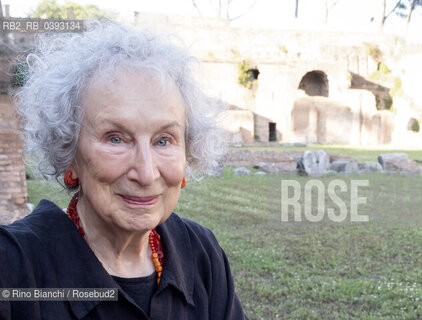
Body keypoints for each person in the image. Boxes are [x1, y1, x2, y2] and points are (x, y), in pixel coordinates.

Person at [0, 21, 248, 320]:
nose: (146, 173)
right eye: (115, 138)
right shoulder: (12, 268)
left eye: (164, 140)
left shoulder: (201, 253)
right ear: (70, 152)